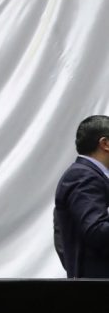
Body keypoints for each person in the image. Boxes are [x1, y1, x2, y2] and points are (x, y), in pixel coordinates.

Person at [54, 114, 109, 278]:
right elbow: (96, 231)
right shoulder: (83, 176)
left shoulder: (88, 175)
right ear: (105, 143)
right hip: (97, 290)